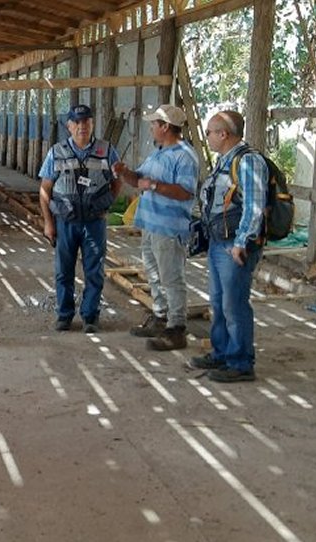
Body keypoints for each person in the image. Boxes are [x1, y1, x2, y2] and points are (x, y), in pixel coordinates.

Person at [113, 104, 199, 350]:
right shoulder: (159, 153)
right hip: (151, 225)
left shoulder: (184, 156)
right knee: (154, 274)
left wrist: (153, 186)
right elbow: (139, 179)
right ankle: (160, 317)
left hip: (169, 227)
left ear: (165, 127)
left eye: (154, 123)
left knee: (171, 277)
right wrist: (123, 173)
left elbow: (185, 192)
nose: (150, 127)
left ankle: (177, 328)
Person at [189, 110, 265, 382]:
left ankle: (241, 362)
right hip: (219, 243)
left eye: (210, 131)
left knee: (234, 304)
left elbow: (254, 208)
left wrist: (242, 242)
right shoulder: (224, 161)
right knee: (219, 302)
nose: (207, 136)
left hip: (235, 245)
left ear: (224, 134)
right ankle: (222, 353)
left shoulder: (248, 162)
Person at [38, 104, 122, 332]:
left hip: (94, 221)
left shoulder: (107, 150)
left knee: (94, 270)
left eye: (86, 122)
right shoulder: (57, 152)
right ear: (69, 126)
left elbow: (117, 181)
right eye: (77, 122)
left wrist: (106, 204)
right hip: (66, 221)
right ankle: (64, 315)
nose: (82, 127)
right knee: (63, 270)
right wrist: (48, 222)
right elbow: (45, 189)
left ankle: (90, 316)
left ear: (92, 124)